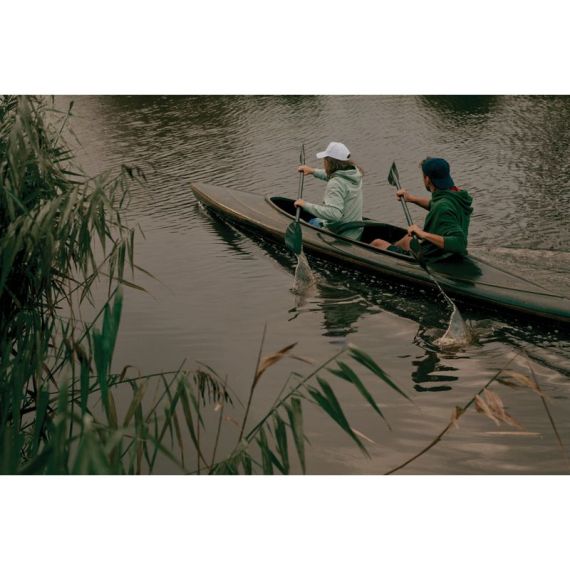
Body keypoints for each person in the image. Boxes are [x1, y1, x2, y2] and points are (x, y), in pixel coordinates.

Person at [371, 157, 473, 261]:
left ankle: (391, 255)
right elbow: (435, 205)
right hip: (441, 252)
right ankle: (394, 251)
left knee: (377, 243)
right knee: (407, 239)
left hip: (432, 258)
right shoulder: (457, 196)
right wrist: (410, 198)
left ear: (427, 179)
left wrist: (423, 234)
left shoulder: (442, 207)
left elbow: (460, 243)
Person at [294, 141, 364, 241]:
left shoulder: (335, 183)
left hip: (340, 234)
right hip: (356, 231)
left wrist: (305, 205)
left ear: (329, 162)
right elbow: (336, 177)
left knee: (308, 222)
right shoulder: (355, 173)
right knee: (315, 220)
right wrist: (313, 171)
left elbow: (334, 214)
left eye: (325, 159)